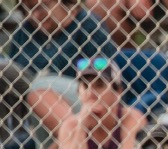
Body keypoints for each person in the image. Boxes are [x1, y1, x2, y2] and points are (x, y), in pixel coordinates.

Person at [8, 0, 117, 140]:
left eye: (42, 6)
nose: (35, 15)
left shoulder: (88, 25)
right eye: (28, 9)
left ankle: (76, 141)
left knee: (41, 89)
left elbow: (104, 81)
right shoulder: (24, 32)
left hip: (82, 100)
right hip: (28, 108)